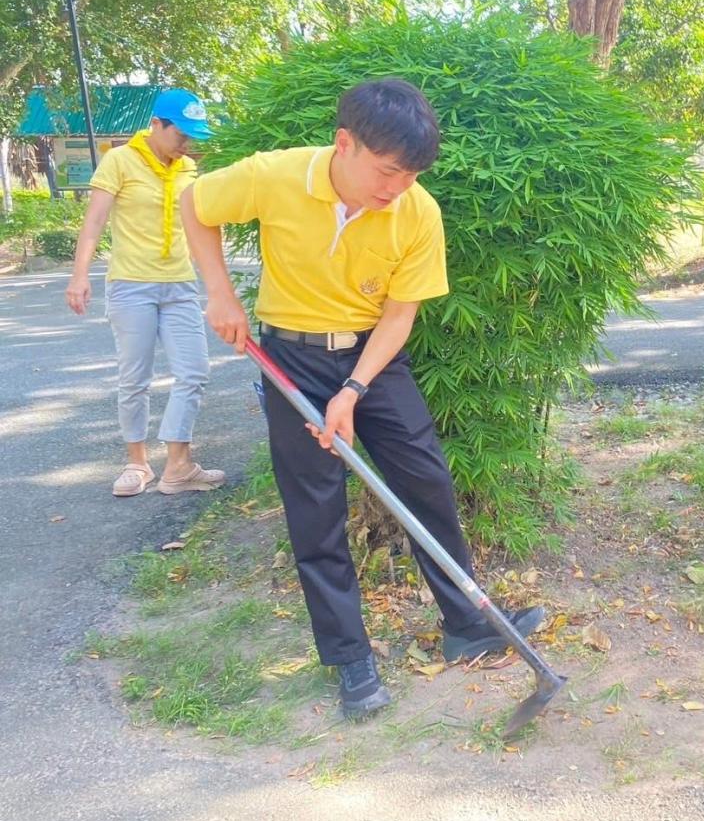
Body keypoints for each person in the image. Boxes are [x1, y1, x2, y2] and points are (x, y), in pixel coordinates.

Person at [180, 78, 543, 719]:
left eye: (410, 175)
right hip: (289, 353)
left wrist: (353, 388)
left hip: (372, 356)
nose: (397, 188)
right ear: (344, 144)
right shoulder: (276, 176)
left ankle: (467, 622)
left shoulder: (417, 211)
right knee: (315, 507)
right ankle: (349, 656)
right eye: (387, 171)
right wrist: (220, 293)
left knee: (425, 477)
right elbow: (195, 204)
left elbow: (400, 316)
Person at [66, 89, 225, 497]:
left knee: (194, 372)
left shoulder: (189, 169)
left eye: (193, 137)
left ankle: (177, 465)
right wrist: (79, 275)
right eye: (181, 134)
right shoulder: (120, 161)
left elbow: (203, 227)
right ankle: (137, 463)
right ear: (157, 125)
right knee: (134, 377)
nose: (187, 144)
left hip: (180, 285)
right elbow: (95, 220)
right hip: (131, 285)